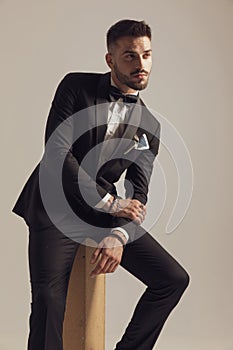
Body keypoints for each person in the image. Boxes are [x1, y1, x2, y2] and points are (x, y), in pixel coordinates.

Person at [12, 19, 190, 350]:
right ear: (110, 60)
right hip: (55, 205)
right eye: (130, 56)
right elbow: (56, 152)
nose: (141, 65)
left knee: (173, 280)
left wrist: (119, 233)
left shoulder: (148, 125)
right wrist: (109, 204)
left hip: (103, 212)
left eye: (147, 55)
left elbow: (139, 193)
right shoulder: (74, 86)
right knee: (49, 300)